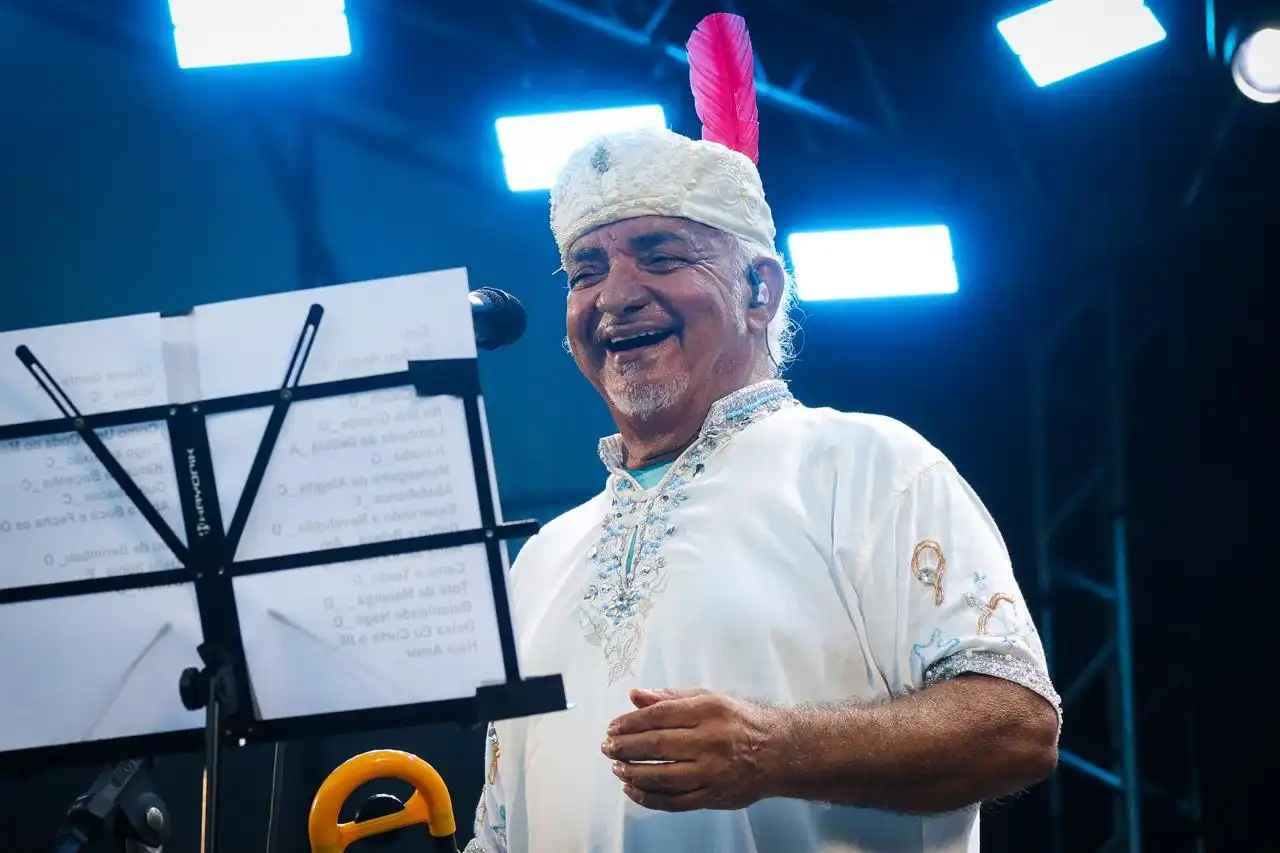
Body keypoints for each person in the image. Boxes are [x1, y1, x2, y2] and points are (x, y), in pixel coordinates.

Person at [465, 14, 1060, 853]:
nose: (614, 295)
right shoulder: (541, 558)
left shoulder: (868, 464)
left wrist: (775, 748)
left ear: (759, 289)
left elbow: (1016, 723)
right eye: (586, 270)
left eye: (660, 255)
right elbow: (500, 830)